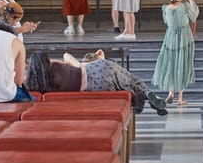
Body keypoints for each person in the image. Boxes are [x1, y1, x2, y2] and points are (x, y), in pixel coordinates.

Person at [25, 49, 167, 116]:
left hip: (97, 86)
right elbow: (68, 58)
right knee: (131, 79)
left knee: (124, 85)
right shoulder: (55, 65)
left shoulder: (40, 85)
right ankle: (147, 93)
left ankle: (141, 95)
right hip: (96, 68)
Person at [152, 0, 199, 106]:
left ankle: (170, 93)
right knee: (182, 64)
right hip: (184, 38)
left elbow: (166, 22)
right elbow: (194, 15)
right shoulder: (185, 6)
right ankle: (180, 98)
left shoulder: (165, 8)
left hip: (170, 38)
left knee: (171, 64)